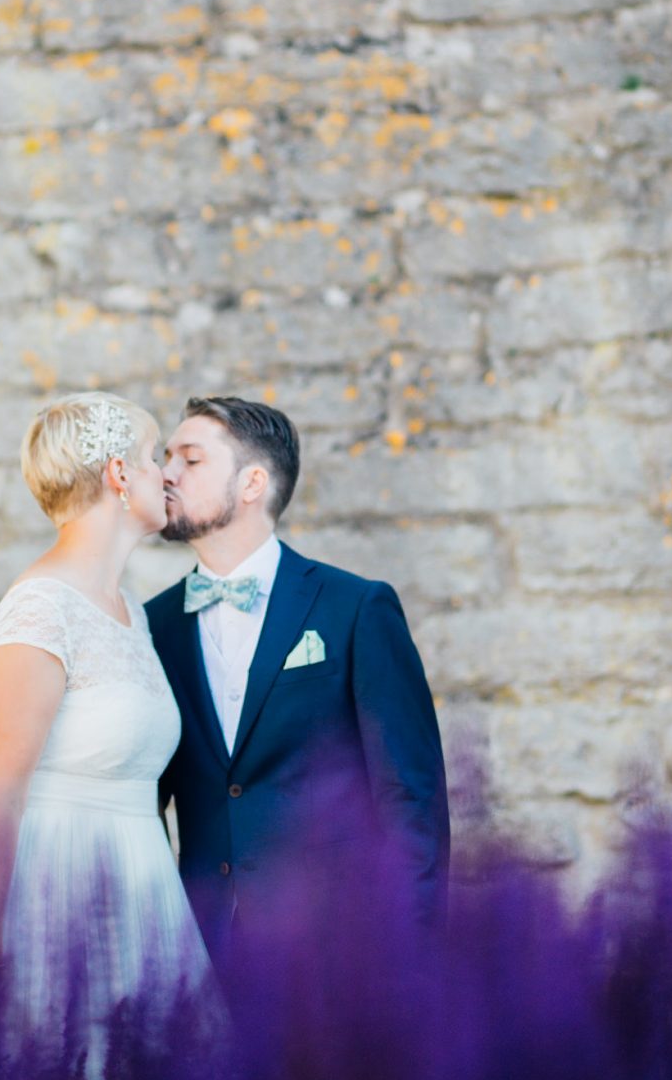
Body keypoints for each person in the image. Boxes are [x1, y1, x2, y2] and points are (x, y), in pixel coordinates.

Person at [0, 391, 217, 1080]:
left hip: (142, 897)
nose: (167, 475)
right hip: (51, 900)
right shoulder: (39, 609)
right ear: (119, 475)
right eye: (155, 458)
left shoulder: (128, 614)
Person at [146, 395, 449, 965]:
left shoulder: (355, 609)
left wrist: (411, 957)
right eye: (166, 457)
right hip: (202, 956)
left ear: (252, 483)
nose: (166, 474)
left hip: (342, 953)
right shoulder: (152, 625)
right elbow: (141, 798)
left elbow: (409, 797)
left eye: (190, 459)